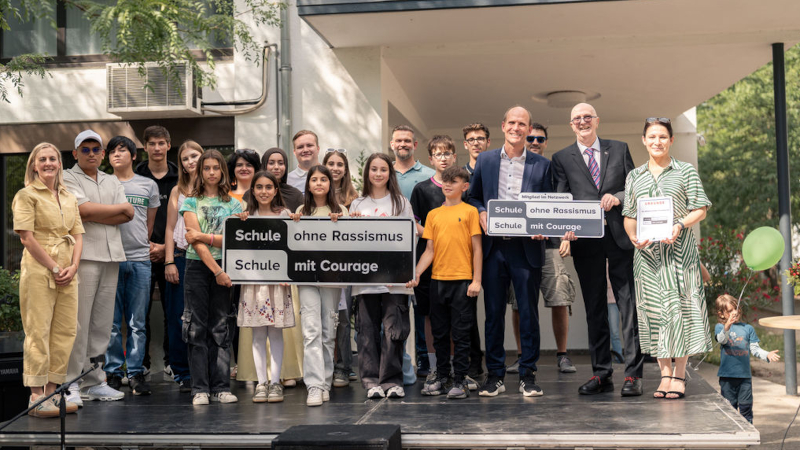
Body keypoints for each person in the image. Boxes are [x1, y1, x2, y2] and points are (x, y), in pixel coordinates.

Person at [552, 103, 644, 397]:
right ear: (571, 125)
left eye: (587, 117)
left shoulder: (619, 148)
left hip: (620, 238)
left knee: (628, 305)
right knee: (594, 308)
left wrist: (617, 197)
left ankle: (633, 375)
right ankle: (602, 373)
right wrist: (564, 229)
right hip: (586, 241)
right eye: (576, 118)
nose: (582, 122)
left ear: (597, 121)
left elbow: (633, 186)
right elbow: (561, 197)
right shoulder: (561, 158)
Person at [622, 117, 712, 399]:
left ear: (671, 140)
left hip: (679, 256)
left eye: (662, 137)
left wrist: (680, 225)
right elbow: (629, 215)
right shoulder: (634, 176)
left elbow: (701, 209)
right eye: (652, 137)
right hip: (647, 259)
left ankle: (679, 375)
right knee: (655, 314)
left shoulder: (685, 171)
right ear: (644, 140)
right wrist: (633, 237)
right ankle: (663, 376)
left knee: (682, 312)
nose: (657, 142)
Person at [467, 106, 551, 398]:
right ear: (503, 126)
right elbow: (474, 196)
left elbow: (550, 205)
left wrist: (544, 225)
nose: (517, 127)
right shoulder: (486, 160)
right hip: (494, 248)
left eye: (522, 124)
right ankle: (495, 376)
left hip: (526, 248)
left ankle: (528, 375)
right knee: (493, 315)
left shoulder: (542, 165)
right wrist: (480, 212)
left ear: (529, 130)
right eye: (512, 122)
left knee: (528, 313)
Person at [13, 143, 84, 417]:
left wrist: (74, 266)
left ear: (59, 163)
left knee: (65, 332)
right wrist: (55, 268)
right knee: (38, 331)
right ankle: (35, 396)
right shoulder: (25, 195)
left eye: (52, 158)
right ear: (34, 164)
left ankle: (52, 393)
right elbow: (26, 238)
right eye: (42, 159)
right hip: (40, 269)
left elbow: (78, 235)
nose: (48, 163)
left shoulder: (68, 196)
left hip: (68, 269)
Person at [64, 130, 132, 406]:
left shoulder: (110, 179)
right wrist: (112, 210)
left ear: (103, 154)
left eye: (96, 149)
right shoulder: (67, 177)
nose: (91, 154)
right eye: (85, 149)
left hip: (111, 257)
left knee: (103, 325)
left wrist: (100, 210)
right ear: (75, 153)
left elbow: (128, 214)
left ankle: (95, 381)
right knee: (78, 323)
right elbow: (83, 211)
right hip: (84, 257)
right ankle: (71, 383)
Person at [508, 124, 577, 374]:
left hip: (550, 246)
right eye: (530, 138)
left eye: (540, 139)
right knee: (519, 303)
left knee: (559, 298)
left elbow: (564, 202)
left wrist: (566, 236)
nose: (535, 142)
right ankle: (521, 355)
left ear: (546, 142)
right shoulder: (512, 169)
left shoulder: (552, 167)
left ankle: (562, 355)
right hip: (520, 246)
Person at [408, 165, 482, 399]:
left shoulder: (470, 211)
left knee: (461, 334)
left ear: (465, 186)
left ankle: (459, 379)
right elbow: (429, 250)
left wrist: (476, 280)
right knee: (439, 334)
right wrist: (417, 273)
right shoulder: (433, 215)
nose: (448, 184)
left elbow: (477, 249)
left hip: (463, 283)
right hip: (437, 282)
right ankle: (442, 375)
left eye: (454, 181)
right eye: (445, 181)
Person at [180, 150, 243, 405]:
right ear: (200, 172)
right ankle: (200, 389)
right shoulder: (190, 201)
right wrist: (215, 271)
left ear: (223, 172)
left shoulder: (235, 204)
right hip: (198, 267)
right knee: (196, 328)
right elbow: (191, 241)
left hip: (226, 265)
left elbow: (233, 238)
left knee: (221, 327)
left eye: (216, 168)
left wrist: (204, 237)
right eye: (207, 168)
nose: (212, 172)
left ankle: (221, 387)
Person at [350, 153, 415, 399]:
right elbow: (350, 243)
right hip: (365, 282)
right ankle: (370, 382)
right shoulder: (357, 204)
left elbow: (409, 240)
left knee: (394, 332)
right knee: (366, 332)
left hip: (395, 282)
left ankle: (391, 381)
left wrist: (408, 273)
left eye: (383, 169)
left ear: (390, 173)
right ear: (367, 173)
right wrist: (350, 223)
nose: (378, 173)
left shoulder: (400, 203)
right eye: (374, 169)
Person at [104, 136, 160, 396]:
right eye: (112, 151)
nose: (117, 155)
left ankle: (136, 373)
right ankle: (113, 372)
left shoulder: (147, 184)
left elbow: (148, 224)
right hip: (111, 258)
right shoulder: (102, 183)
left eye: (122, 150)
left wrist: (140, 243)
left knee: (138, 322)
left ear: (134, 155)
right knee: (112, 323)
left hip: (140, 259)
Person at [289, 165, 348, 407]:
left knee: (327, 332)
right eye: (314, 180)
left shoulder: (340, 209)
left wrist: (341, 223)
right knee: (311, 330)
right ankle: (313, 385)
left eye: (324, 179)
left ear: (330, 183)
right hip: (306, 278)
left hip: (332, 278)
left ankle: (325, 382)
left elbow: (348, 244)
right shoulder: (301, 210)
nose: (319, 183)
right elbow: (293, 241)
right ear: (308, 185)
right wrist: (294, 222)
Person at [240, 171, 296, 403]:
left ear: (276, 191)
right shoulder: (245, 216)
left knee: (276, 333)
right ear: (253, 190)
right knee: (257, 333)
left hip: (277, 283)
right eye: (259, 187)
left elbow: (292, 248)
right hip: (253, 283)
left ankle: (275, 382)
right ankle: (261, 383)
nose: (264, 191)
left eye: (269, 187)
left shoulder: (285, 214)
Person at [390, 124, 434, 379]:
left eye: (408, 141)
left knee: (423, 309)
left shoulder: (427, 175)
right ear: (392, 144)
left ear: (415, 145)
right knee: (397, 307)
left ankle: (425, 361)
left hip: (423, 249)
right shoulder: (383, 173)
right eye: (398, 141)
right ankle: (401, 364)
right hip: (393, 252)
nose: (403, 144)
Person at [135, 125, 179, 377]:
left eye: (161, 143)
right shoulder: (136, 175)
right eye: (152, 143)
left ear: (168, 145)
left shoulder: (179, 176)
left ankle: (171, 361)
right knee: (139, 312)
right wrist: (147, 245)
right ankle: (140, 364)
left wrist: (166, 248)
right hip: (141, 252)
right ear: (145, 147)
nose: (157, 148)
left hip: (171, 254)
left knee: (173, 311)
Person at [163, 140, 203, 392]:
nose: (191, 161)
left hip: (206, 258)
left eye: (195, 156)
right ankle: (182, 372)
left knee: (204, 318)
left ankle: (204, 370)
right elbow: (168, 228)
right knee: (179, 318)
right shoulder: (177, 191)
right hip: (180, 256)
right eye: (186, 158)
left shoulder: (214, 188)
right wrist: (169, 260)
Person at [323, 149, 359, 388]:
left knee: (344, 318)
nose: (335, 168)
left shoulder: (354, 199)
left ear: (345, 170)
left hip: (345, 267)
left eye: (340, 164)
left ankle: (344, 367)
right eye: (331, 164)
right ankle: (323, 366)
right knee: (324, 318)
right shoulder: (314, 194)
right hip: (319, 266)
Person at [715, 294, 780, 421]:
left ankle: (749, 437)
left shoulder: (748, 329)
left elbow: (755, 349)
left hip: (744, 377)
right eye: (730, 311)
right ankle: (733, 437)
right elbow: (722, 340)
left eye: (736, 308)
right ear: (721, 314)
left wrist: (767, 354)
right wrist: (727, 325)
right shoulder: (720, 327)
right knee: (729, 410)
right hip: (727, 377)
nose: (735, 312)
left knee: (746, 408)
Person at [226, 148, 260, 379]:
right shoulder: (226, 196)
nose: (244, 168)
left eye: (248, 164)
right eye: (239, 165)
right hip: (232, 266)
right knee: (233, 315)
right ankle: (238, 363)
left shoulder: (262, 193)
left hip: (261, 267)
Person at [460, 123, 491, 381]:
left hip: (492, 247)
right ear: (465, 145)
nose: (476, 143)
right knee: (467, 309)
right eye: (471, 139)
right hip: (463, 250)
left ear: (488, 143)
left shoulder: (494, 168)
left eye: (480, 139)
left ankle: (495, 361)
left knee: (494, 309)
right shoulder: (458, 175)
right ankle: (473, 362)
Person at [261, 147, 305, 212]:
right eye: (271, 163)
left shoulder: (295, 195)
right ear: (264, 165)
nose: (276, 167)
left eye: (281, 163)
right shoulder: (254, 193)